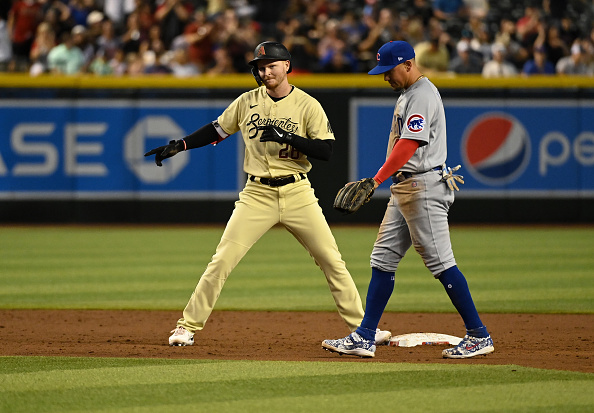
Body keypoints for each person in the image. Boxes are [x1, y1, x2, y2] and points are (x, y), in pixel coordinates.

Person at [144, 41, 391, 348]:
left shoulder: (307, 104)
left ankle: (364, 329)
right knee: (222, 261)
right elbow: (217, 130)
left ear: (287, 65)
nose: (265, 71)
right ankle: (187, 326)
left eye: (271, 65)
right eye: (260, 67)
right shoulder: (247, 101)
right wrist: (180, 145)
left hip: (297, 190)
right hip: (256, 193)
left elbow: (326, 150)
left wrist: (287, 136)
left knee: (331, 260)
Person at [322, 40, 494, 359]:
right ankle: (365, 336)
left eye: (389, 71)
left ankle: (479, 335)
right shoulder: (408, 94)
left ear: (408, 64)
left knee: (441, 263)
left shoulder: (422, 95)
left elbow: (409, 145)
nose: (385, 77)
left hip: (424, 187)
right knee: (383, 258)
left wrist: (375, 180)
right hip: (407, 188)